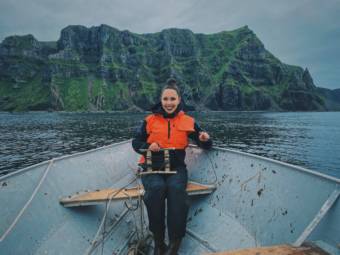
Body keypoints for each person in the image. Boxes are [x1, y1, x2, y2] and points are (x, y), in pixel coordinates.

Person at [132, 78, 212, 255]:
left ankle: (174, 245)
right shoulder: (149, 120)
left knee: (176, 190)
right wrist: (147, 147)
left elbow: (204, 141)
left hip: (176, 168)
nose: (169, 103)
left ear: (179, 100)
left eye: (172, 99)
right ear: (161, 100)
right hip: (152, 168)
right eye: (165, 99)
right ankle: (159, 243)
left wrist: (206, 139)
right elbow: (135, 142)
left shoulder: (189, 121)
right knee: (156, 189)